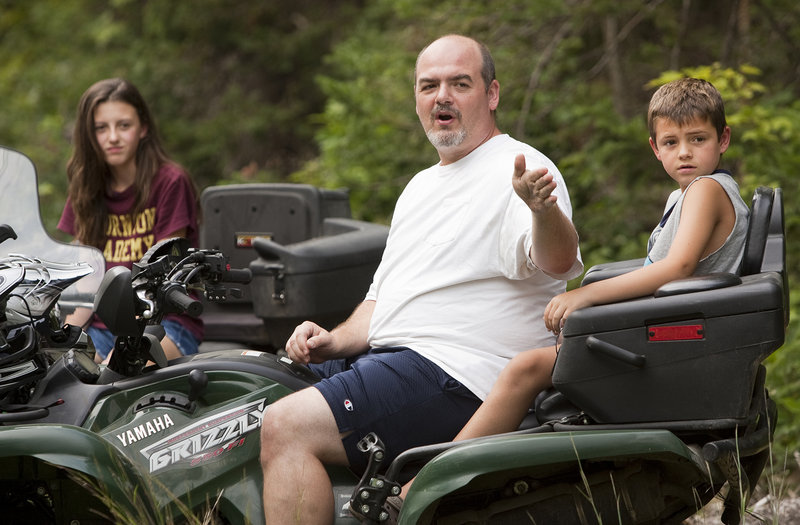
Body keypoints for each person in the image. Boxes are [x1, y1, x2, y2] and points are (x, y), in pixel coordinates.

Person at [259, 34, 583, 525]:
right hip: (396, 362)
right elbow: (382, 299)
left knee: (286, 425)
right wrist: (333, 340)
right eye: (429, 86)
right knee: (250, 398)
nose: (442, 97)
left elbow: (558, 261)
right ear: (417, 99)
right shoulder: (418, 187)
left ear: (491, 94)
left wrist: (543, 209)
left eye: (460, 83)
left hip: (459, 374)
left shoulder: (522, 169)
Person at [393, 76, 750, 512]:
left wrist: (585, 298)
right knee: (558, 346)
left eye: (698, 139)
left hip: (678, 341)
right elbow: (664, 273)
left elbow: (675, 269)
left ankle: (424, 485)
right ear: (655, 148)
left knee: (525, 368)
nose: (685, 152)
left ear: (723, 138)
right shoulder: (690, 194)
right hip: (671, 329)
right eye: (672, 142)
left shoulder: (707, 192)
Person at [57, 78, 202, 362]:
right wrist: (64, 336)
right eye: (101, 128)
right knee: (59, 370)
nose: (113, 137)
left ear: (143, 127)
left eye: (123, 125)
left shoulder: (170, 182)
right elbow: (84, 275)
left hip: (163, 322)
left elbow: (165, 274)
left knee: (119, 367)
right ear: (90, 134)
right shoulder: (86, 186)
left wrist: (119, 347)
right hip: (100, 326)